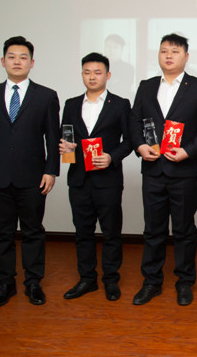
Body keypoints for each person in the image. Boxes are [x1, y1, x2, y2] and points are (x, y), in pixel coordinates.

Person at [0, 35, 60, 308]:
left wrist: (51, 170)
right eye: (12, 57)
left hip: (33, 176)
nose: (17, 61)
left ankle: (33, 283)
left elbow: (52, 138)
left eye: (23, 57)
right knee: (2, 233)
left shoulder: (46, 96)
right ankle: (5, 284)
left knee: (33, 231)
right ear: (2, 61)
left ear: (32, 62)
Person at [130, 33, 197, 306]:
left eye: (175, 51)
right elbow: (134, 122)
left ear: (186, 57)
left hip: (184, 171)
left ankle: (184, 281)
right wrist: (140, 146)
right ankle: (151, 282)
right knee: (152, 230)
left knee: (184, 229)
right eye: (164, 50)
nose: (168, 55)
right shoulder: (146, 86)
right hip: (153, 169)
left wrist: (188, 151)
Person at [59, 53, 133, 302]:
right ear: (82, 74)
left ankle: (111, 280)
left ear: (108, 75)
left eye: (97, 72)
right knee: (83, 233)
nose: (92, 77)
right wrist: (66, 150)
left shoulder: (120, 104)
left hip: (108, 179)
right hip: (78, 179)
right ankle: (87, 279)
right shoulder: (71, 104)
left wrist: (112, 157)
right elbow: (66, 138)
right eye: (87, 72)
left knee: (111, 232)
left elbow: (130, 140)